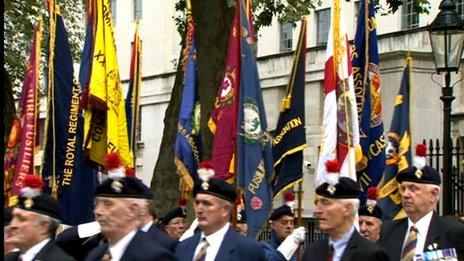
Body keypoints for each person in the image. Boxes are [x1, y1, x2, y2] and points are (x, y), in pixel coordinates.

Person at [379, 144, 464, 260]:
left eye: (413, 189)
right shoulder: (388, 230)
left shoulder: (453, 232)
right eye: (404, 189)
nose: (405, 194)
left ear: (433, 194)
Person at [85, 152, 175, 261]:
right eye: (97, 204)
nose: (98, 211)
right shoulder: (95, 256)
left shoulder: (155, 257)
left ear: (133, 210)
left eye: (108, 204)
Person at [174, 161, 266, 260]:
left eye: (207, 203)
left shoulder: (248, 251)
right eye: (197, 203)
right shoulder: (183, 247)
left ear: (225, 209)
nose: (199, 209)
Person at [303, 160, 390, 261]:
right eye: (318, 203)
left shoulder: (371, 255)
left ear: (347, 209)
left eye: (325, 203)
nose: (318, 210)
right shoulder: (312, 251)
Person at [4, 175, 75, 261]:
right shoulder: (8, 258)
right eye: (13, 217)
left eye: (21, 219)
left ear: (43, 226)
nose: (12, 225)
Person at [261, 191, 306, 261]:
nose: (289, 226)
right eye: (284, 223)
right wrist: (292, 242)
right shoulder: (263, 248)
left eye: (292, 223)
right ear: (273, 225)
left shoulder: (299, 251)